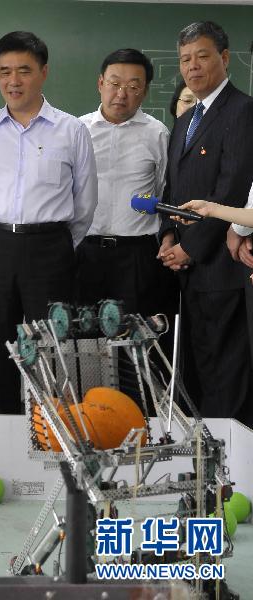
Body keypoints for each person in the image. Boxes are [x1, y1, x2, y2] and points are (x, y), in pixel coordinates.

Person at [0, 31, 97, 415]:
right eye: (4, 72)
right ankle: (0, 425)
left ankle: (50, 432)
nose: (13, 81)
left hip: (50, 250)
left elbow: (85, 202)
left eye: (24, 70)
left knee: (52, 348)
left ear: (43, 72)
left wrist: (55, 244)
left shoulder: (71, 131)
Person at [157, 21, 253, 423]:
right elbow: (172, 184)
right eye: (185, 59)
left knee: (226, 375)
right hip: (190, 272)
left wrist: (190, 248)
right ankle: (204, 452)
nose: (192, 66)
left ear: (224, 58)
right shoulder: (186, 118)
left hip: (222, 267)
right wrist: (167, 236)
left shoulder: (242, 111)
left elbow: (232, 189)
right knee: (199, 371)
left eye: (202, 56)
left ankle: (231, 458)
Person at [77, 48, 177, 324]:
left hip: (137, 255)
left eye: (133, 87)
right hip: (85, 252)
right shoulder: (78, 130)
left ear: (144, 92)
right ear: (100, 83)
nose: (121, 94)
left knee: (135, 336)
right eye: (114, 83)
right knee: (85, 336)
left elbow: (164, 190)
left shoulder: (157, 134)